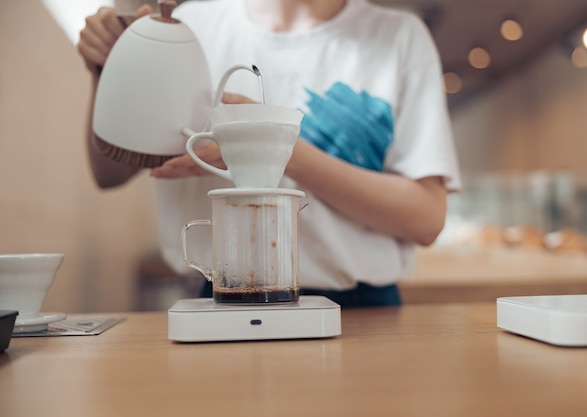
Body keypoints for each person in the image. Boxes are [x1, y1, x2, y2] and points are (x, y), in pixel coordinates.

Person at [77, 0, 461, 308]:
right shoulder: (190, 27)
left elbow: (425, 218)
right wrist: (108, 72)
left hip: (362, 310)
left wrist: (276, 149)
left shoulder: (399, 37)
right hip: (217, 299)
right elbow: (110, 173)